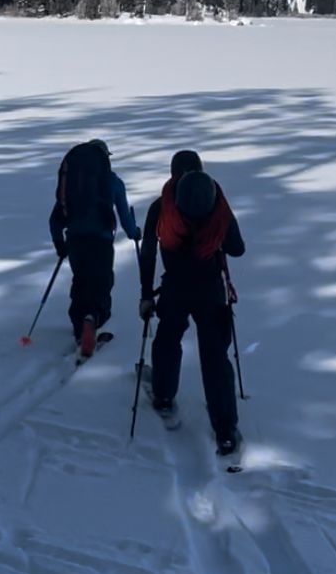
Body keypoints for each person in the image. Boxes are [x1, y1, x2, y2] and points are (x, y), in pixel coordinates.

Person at [139, 150, 245, 454]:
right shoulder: (216, 205)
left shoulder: (161, 207)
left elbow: (147, 253)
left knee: (168, 339)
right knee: (214, 355)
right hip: (210, 289)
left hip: (175, 285)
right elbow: (237, 249)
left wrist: (146, 294)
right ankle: (225, 429)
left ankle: (162, 395)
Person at [50, 139, 138, 357]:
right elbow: (125, 219)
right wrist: (135, 233)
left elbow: (56, 219)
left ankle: (79, 324)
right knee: (101, 283)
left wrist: (60, 244)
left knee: (81, 280)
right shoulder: (113, 182)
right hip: (101, 241)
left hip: (75, 241)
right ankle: (93, 318)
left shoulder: (71, 184)